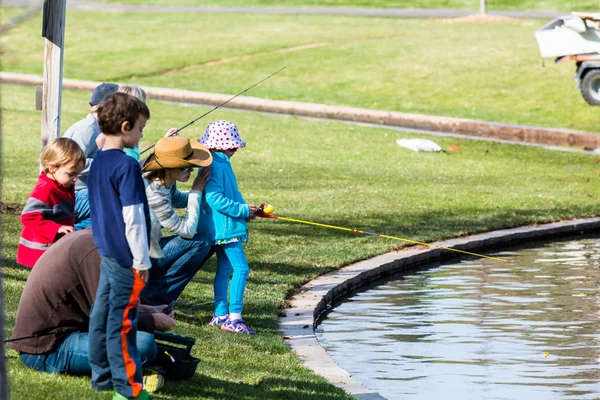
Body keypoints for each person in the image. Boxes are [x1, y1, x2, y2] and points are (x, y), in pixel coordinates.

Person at [9, 229, 175, 377]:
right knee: (143, 345)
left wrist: (148, 309)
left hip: (57, 335)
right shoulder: (98, 253)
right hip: (45, 348)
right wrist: (154, 321)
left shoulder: (97, 241)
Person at [87, 92, 153, 400]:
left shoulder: (99, 161)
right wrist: (142, 261)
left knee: (101, 315)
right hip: (126, 259)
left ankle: (101, 378)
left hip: (106, 251)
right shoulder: (127, 167)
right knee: (123, 323)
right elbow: (134, 218)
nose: (141, 135)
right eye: (140, 128)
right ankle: (129, 390)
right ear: (126, 127)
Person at [198, 120, 257, 335]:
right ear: (223, 146)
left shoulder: (220, 163)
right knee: (242, 269)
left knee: (224, 270)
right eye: (232, 145)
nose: (235, 149)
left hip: (227, 227)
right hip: (225, 229)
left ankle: (220, 314)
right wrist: (241, 211)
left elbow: (234, 194)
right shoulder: (214, 165)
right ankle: (234, 317)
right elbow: (215, 199)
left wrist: (248, 210)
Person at [140, 136, 214, 306]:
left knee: (208, 242)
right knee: (200, 243)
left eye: (192, 167)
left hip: (149, 248)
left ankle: (154, 294)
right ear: (169, 168)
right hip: (139, 257)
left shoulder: (165, 181)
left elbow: (178, 199)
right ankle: (154, 299)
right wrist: (196, 192)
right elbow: (186, 231)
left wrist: (207, 196)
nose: (191, 172)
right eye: (186, 167)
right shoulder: (154, 192)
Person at [17, 137, 86, 268]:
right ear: (53, 168)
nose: (76, 179)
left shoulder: (63, 185)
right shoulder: (45, 190)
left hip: (54, 247)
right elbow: (28, 217)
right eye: (71, 174)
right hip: (41, 251)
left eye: (78, 174)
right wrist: (56, 228)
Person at [64, 82, 119, 230]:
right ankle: (68, 237)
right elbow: (71, 163)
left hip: (84, 191)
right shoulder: (87, 130)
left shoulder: (97, 127)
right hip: (75, 193)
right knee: (113, 204)